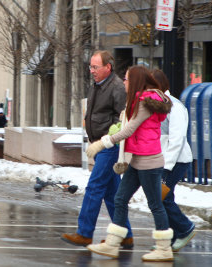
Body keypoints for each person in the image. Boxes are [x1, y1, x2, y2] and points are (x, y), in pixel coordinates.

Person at [86, 65, 173, 262]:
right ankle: (112, 244)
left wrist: (103, 143)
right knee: (120, 199)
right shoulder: (139, 101)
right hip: (138, 159)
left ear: (134, 81)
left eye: (126, 79)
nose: (124, 82)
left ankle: (164, 248)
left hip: (150, 162)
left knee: (155, 205)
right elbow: (127, 127)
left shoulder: (144, 102)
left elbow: (129, 130)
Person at [61, 50, 133, 248]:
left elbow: (123, 119)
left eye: (95, 67)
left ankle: (84, 233)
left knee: (94, 187)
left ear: (107, 67)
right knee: (111, 193)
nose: (91, 70)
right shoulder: (97, 85)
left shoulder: (117, 87)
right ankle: (125, 234)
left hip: (110, 146)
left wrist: (108, 139)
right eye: (90, 66)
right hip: (99, 144)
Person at [152, 69, 195, 251]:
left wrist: (166, 167)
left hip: (176, 161)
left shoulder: (174, 106)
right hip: (164, 160)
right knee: (164, 197)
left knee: (162, 197)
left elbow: (177, 140)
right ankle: (172, 236)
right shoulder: (158, 105)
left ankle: (185, 229)